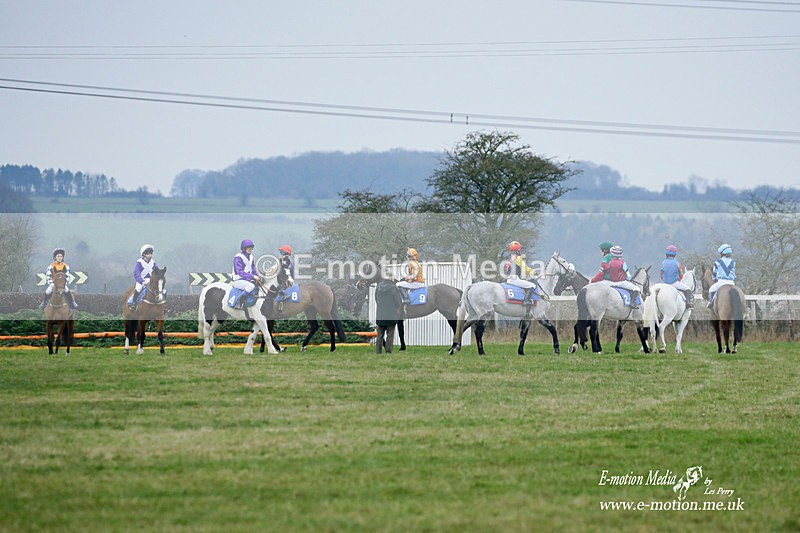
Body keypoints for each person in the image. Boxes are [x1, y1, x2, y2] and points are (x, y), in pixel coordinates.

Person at [660, 244, 694, 308]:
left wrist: (664, 280)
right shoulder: (677, 263)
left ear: (666, 253)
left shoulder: (663, 263)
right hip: (674, 283)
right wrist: (678, 280)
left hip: (665, 283)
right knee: (688, 289)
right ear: (675, 254)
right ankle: (688, 304)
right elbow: (681, 275)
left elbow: (661, 274)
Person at [375, 278, 402, 354]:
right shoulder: (394, 288)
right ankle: (388, 351)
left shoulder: (378, 287)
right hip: (391, 314)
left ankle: (378, 351)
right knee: (390, 335)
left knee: (380, 335)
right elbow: (398, 302)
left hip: (380, 314)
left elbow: (376, 300)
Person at [231, 239, 261, 308]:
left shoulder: (251, 257)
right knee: (251, 286)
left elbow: (253, 269)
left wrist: (257, 276)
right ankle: (239, 301)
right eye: (248, 247)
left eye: (251, 247)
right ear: (244, 248)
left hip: (248, 280)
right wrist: (253, 276)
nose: (250, 249)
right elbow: (240, 272)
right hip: (238, 280)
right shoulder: (238, 257)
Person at [128, 244, 157, 311]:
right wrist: (141, 281)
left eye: (151, 253)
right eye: (148, 253)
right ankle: (133, 303)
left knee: (161, 290)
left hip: (151, 281)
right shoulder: (139, 262)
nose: (150, 255)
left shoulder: (153, 263)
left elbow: (156, 272)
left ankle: (163, 305)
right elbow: (136, 273)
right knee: (138, 288)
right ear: (144, 254)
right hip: (141, 281)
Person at [708, 243, 736, 308]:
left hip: (721, 282)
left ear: (721, 253)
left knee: (711, 289)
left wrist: (715, 280)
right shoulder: (733, 262)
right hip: (732, 282)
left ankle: (711, 303)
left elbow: (714, 274)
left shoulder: (717, 262)